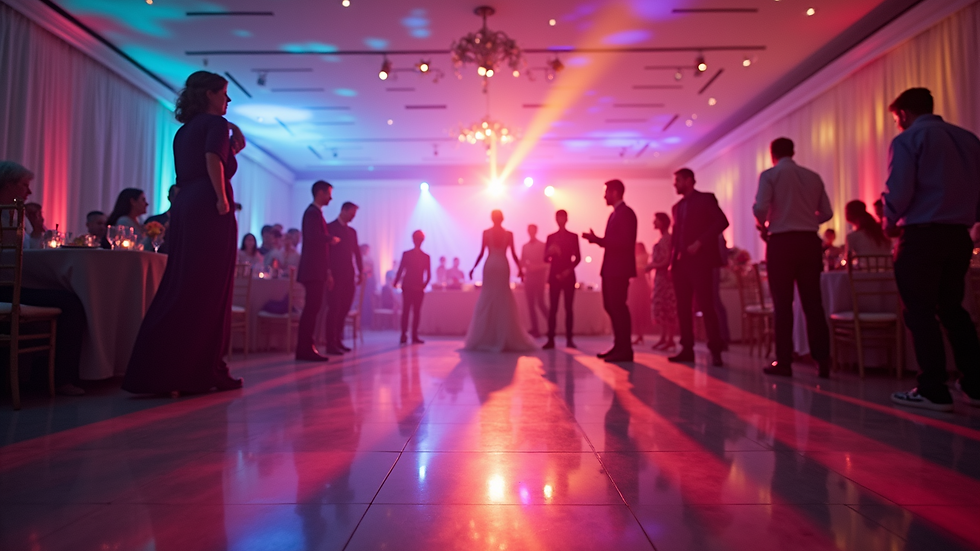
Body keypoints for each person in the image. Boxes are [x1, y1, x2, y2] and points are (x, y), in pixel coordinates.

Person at [123, 70, 244, 394]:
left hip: (187, 204)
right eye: (224, 93)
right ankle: (204, 371)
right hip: (208, 205)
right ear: (209, 95)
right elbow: (212, 160)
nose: (228, 99)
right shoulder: (216, 124)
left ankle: (161, 371)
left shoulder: (184, 130)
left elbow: (205, 162)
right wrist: (221, 198)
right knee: (211, 289)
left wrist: (233, 150)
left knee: (183, 284)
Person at [883, 88, 980, 411]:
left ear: (903, 114)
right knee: (953, 309)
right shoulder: (968, 139)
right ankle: (975, 384)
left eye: (897, 119)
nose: (898, 124)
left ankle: (933, 388)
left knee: (920, 311)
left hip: (922, 235)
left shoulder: (908, 139)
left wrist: (888, 219)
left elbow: (900, 189)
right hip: (959, 235)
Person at [0, 161, 86, 396]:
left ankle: (38, 373)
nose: (29, 191)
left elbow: (28, 251)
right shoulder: (9, 215)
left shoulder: (17, 215)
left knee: (69, 298)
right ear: (7, 184)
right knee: (72, 304)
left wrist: (37, 232)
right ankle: (59, 378)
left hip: (16, 283)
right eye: (24, 185)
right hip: (5, 288)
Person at [752, 138, 832, 378]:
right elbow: (827, 212)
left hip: (782, 243)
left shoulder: (770, 175)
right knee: (813, 304)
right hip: (809, 242)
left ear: (772, 154)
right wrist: (806, 220)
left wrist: (766, 225)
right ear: (793, 152)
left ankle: (784, 361)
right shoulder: (813, 176)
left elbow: (760, 208)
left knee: (782, 304)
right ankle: (823, 360)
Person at [669, 168, 728, 367]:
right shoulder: (677, 207)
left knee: (706, 306)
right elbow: (676, 237)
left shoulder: (706, 199)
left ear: (689, 181)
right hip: (681, 264)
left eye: (678, 180)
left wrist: (700, 242)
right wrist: (672, 263)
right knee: (683, 308)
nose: (675, 184)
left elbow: (722, 222)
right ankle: (687, 349)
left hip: (701, 262)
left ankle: (716, 350)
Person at [464, 210, 537, 352]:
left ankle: (486, 335)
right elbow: (513, 253)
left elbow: (481, 253)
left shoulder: (486, 233)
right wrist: (520, 269)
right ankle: (503, 335)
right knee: (503, 297)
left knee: (487, 296)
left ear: (492, 218)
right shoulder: (508, 234)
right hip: (502, 264)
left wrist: (473, 268)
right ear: (502, 219)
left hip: (490, 264)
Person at [583, 179, 638, 364]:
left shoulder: (626, 213)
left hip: (619, 270)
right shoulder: (615, 214)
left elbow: (625, 242)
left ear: (614, 192)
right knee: (611, 306)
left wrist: (598, 240)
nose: (604, 196)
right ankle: (619, 346)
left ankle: (625, 349)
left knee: (618, 307)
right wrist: (598, 240)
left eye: (606, 192)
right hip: (611, 269)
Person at [296, 180, 334, 362]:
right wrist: (330, 238)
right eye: (328, 194)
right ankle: (305, 348)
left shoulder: (314, 213)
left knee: (312, 309)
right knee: (312, 309)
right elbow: (313, 237)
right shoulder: (312, 213)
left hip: (315, 270)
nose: (330, 198)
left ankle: (306, 347)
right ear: (320, 193)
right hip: (313, 270)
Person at [325, 201, 362, 355]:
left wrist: (360, 271)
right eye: (352, 214)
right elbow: (325, 253)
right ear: (343, 211)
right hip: (335, 274)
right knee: (334, 308)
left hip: (349, 274)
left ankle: (338, 340)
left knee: (345, 307)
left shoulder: (352, 232)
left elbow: (357, 253)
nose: (353, 217)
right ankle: (330, 342)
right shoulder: (330, 228)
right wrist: (328, 273)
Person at [543, 209, 581, 349]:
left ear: (566, 219)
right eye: (558, 217)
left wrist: (568, 271)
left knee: (568, 308)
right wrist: (550, 252)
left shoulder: (573, 237)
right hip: (554, 275)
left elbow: (578, 258)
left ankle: (569, 339)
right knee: (553, 308)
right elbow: (545, 258)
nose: (560, 220)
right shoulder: (551, 237)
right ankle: (550, 339)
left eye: (562, 217)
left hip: (568, 275)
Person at [646, 212, 678, 351]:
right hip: (659, 278)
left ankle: (669, 339)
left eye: (656, 220)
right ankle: (664, 338)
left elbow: (666, 260)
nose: (654, 222)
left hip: (666, 279)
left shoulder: (667, 240)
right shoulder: (662, 239)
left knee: (667, 307)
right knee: (661, 308)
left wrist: (652, 266)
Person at [394, 230, 431, 345]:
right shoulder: (424, 256)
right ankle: (410, 335)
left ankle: (407, 335)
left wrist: (396, 282)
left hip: (411, 287)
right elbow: (428, 275)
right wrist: (423, 285)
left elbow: (401, 270)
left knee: (409, 311)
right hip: (413, 287)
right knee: (413, 312)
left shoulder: (409, 254)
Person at [521, 224, 549, 338]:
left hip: (539, 277)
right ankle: (535, 329)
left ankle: (551, 324)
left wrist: (536, 267)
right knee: (530, 304)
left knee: (540, 302)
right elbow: (522, 261)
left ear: (536, 231)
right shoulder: (525, 246)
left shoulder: (543, 245)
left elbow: (548, 263)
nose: (530, 232)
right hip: (529, 277)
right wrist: (526, 267)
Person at [628, 242, 652, 344]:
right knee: (635, 310)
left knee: (640, 309)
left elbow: (646, 269)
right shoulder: (634, 257)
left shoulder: (645, 257)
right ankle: (638, 334)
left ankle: (640, 333)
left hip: (641, 284)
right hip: (635, 284)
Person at [144, 185, 179, 254]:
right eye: (176, 196)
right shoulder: (154, 221)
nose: (179, 200)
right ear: (169, 198)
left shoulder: (189, 224)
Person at [360, 243, 376, 329]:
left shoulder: (368, 260)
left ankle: (367, 322)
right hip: (364, 285)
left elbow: (371, 273)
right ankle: (363, 322)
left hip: (368, 285)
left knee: (367, 304)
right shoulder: (362, 259)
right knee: (363, 304)